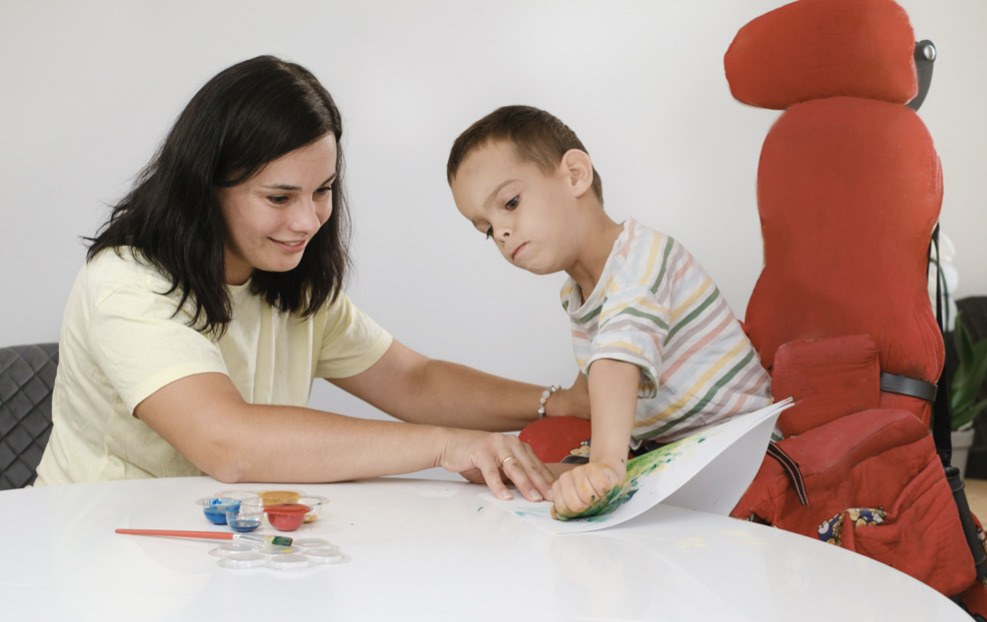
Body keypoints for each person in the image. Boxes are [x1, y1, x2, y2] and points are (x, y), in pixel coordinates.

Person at [33, 57, 589, 503]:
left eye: (322, 190)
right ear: (204, 187)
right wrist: (448, 448)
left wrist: (561, 404)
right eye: (278, 197)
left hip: (224, 547)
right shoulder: (126, 284)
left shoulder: (290, 282)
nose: (307, 221)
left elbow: (415, 382)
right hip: (93, 546)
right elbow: (228, 443)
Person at [446, 105, 773, 519]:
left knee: (599, 475)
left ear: (576, 175)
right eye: (488, 229)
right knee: (520, 474)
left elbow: (618, 357)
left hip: (742, 445)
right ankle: (534, 473)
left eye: (510, 202)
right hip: (669, 447)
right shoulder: (578, 292)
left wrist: (603, 464)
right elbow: (594, 387)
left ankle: (591, 471)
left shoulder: (643, 258)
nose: (503, 233)